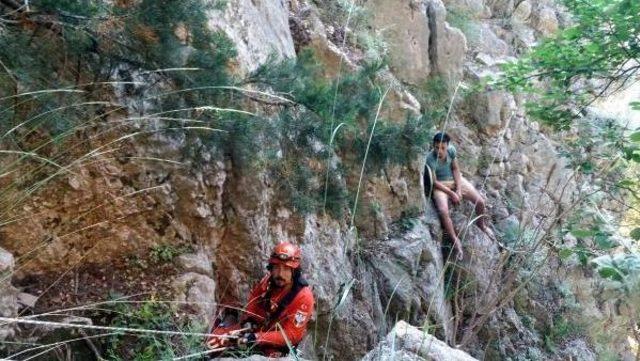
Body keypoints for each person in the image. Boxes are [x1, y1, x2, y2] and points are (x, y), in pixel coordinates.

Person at [206, 242, 314, 358]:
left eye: (286, 269)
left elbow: (291, 335)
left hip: (274, 347)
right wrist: (248, 324)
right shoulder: (268, 282)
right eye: (276, 267)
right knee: (215, 341)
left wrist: (257, 338)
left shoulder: (303, 297)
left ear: (294, 272)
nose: (280, 274)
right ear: (271, 268)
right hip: (255, 332)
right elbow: (253, 304)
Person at [424, 132, 496, 260]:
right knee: (443, 211)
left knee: (480, 201)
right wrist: (451, 193)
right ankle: (455, 240)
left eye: (442, 148)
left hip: (455, 180)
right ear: (433, 146)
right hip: (440, 185)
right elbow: (434, 182)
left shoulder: (451, 151)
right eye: (436, 147)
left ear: (447, 146)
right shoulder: (430, 159)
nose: (439, 151)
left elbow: (456, 170)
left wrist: (458, 189)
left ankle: (481, 225)